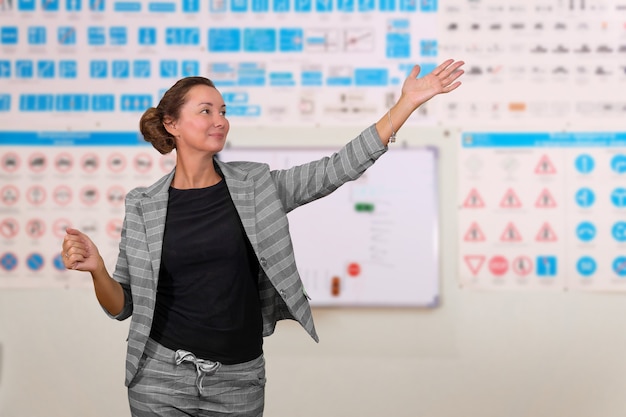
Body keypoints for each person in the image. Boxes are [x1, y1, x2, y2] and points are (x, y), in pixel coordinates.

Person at [61, 58, 464, 417]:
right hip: (160, 378)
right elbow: (122, 306)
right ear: (172, 125)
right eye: (205, 111)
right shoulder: (143, 205)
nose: (219, 119)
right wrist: (97, 270)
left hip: (239, 380)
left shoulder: (256, 186)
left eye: (223, 111)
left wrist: (405, 105)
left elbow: (335, 169)